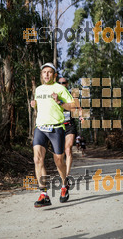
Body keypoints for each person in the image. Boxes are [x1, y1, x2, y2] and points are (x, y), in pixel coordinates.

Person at [31, 63, 75, 207]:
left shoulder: (60, 88)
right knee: (37, 159)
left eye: (49, 72)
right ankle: (44, 194)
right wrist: (34, 105)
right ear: (41, 74)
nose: (46, 75)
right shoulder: (38, 89)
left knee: (58, 161)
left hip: (56, 129)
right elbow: (40, 106)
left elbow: (72, 106)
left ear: (54, 75)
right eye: (44, 72)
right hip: (40, 128)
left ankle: (64, 184)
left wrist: (59, 101)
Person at [58, 78, 78, 178]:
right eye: (59, 83)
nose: (62, 84)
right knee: (59, 153)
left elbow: (77, 107)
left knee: (68, 149)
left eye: (63, 83)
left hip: (70, 125)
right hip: (58, 125)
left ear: (67, 84)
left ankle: (66, 175)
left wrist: (81, 115)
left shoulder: (71, 96)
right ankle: (62, 171)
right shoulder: (54, 95)